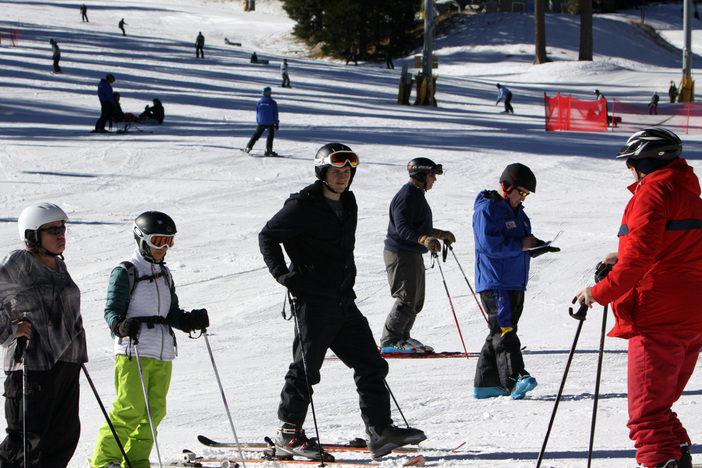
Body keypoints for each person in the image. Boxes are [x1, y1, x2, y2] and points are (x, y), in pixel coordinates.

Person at [259, 143, 426, 460]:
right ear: (322, 172)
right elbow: (267, 236)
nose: (342, 177)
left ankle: (380, 431)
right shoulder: (303, 204)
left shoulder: (348, 202)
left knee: (371, 363)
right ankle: (288, 435)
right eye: (336, 171)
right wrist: (283, 275)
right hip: (314, 301)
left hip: (343, 300)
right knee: (306, 370)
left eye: (347, 171)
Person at [575, 128, 702, 468]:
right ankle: (679, 458)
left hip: (657, 315)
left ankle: (663, 461)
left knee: (645, 416)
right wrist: (621, 254)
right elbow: (675, 247)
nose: (629, 170)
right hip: (690, 314)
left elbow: (641, 259)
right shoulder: (688, 190)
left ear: (643, 162)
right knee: (659, 408)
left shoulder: (654, 191)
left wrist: (598, 292)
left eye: (630, 163)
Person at [89, 211, 209, 468]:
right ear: (142, 239)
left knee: (154, 413)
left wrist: (188, 321)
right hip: (133, 349)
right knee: (129, 408)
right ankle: (104, 461)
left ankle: (134, 460)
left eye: (169, 241)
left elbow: (171, 312)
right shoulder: (125, 271)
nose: (164, 248)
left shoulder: (165, 274)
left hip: (163, 352)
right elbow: (111, 311)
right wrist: (120, 325)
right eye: (158, 241)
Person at [0, 202, 88, 468]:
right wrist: (10, 330)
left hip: (66, 365)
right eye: (52, 230)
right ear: (32, 236)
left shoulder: (60, 268)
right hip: (31, 365)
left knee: (63, 438)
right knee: (26, 442)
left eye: (63, 229)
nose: (61, 235)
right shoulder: (19, 263)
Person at [472, 163, 559, 400]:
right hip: (496, 280)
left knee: (499, 330)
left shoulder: (518, 213)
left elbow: (521, 242)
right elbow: (488, 245)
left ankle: (487, 384)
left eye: (526, 194)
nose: (523, 198)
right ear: (506, 186)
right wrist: (522, 246)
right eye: (520, 192)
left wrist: (538, 247)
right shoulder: (487, 209)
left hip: (514, 280)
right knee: (504, 329)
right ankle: (515, 378)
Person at [379, 158, 455, 354]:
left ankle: (403, 337)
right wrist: (424, 239)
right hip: (400, 253)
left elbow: (417, 225)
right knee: (406, 297)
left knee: (416, 299)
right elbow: (402, 227)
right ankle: (390, 341)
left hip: (411, 253)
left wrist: (438, 234)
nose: (434, 180)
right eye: (432, 175)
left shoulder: (416, 195)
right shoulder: (407, 195)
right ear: (421, 175)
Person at [244, 87, 279, 156]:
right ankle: (269, 150)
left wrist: (258, 120)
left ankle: (249, 147)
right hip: (270, 122)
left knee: (256, 135)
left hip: (262, 122)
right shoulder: (273, 103)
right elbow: (275, 113)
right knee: (270, 136)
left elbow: (258, 112)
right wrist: (276, 123)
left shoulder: (259, 102)